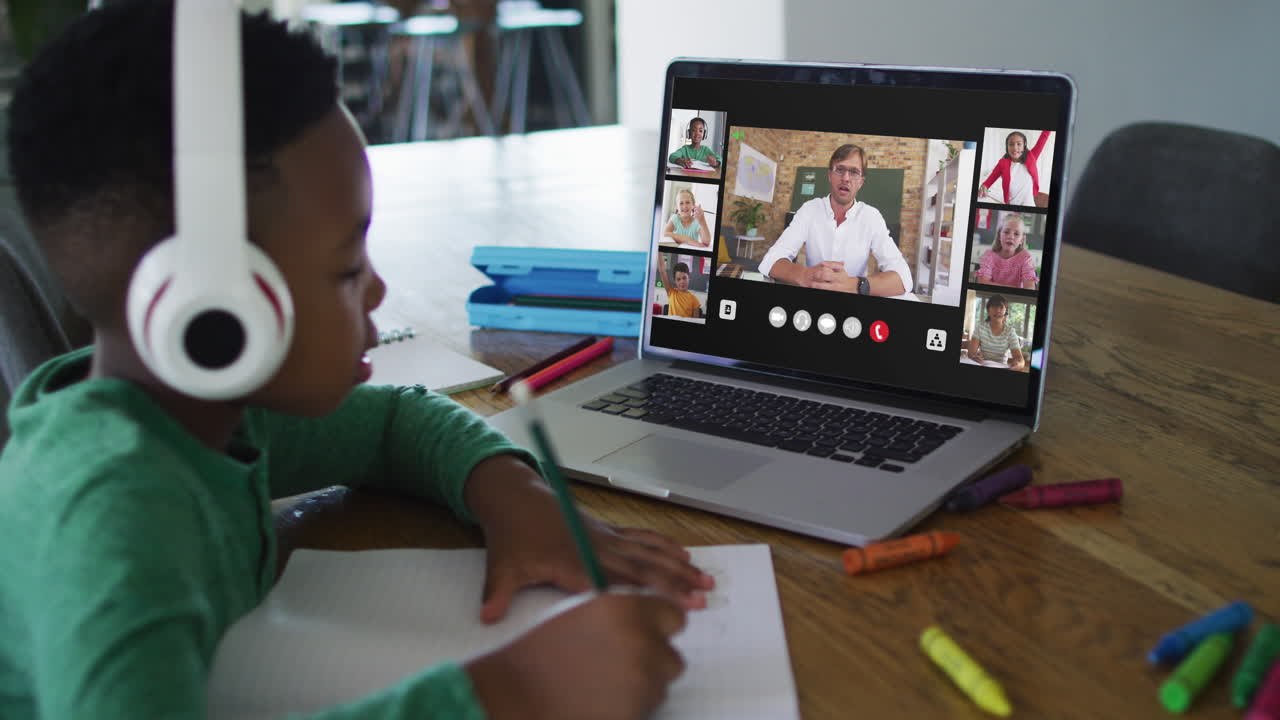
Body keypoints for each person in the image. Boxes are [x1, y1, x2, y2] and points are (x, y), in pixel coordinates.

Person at [0, 4, 712, 719]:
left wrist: (516, 500)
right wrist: (510, 694)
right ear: (214, 311)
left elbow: (392, 422)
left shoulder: (204, 418)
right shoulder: (113, 522)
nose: (376, 288)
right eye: (346, 269)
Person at [758, 144, 912, 297]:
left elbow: (904, 278)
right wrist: (804, 275)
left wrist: (854, 285)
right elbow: (770, 261)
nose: (845, 178)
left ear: (861, 182)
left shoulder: (871, 217)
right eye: (840, 170)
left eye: (853, 172)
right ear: (830, 175)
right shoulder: (809, 209)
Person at [979, 130, 1052, 206]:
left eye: (1019, 144)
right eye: (1011, 144)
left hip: (1028, 204)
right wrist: (983, 187)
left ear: (1024, 145)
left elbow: (1044, 137)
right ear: (1007, 147)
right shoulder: (1002, 163)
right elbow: (989, 180)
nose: (1015, 147)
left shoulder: (1031, 157)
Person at [975, 213, 1039, 289]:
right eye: (1006, 232)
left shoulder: (1025, 258)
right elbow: (982, 283)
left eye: (1016, 234)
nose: (1011, 237)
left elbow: (1029, 288)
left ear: (1022, 239)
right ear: (999, 235)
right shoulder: (989, 255)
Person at [966, 295, 1026, 370]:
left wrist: (1017, 365)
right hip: (982, 365)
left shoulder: (1010, 332)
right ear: (988, 310)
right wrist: (975, 357)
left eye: (1001, 307)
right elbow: (971, 353)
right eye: (994, 307)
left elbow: (1020, 360)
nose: (997, 310)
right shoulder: (980, 328)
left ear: (1005, 311)